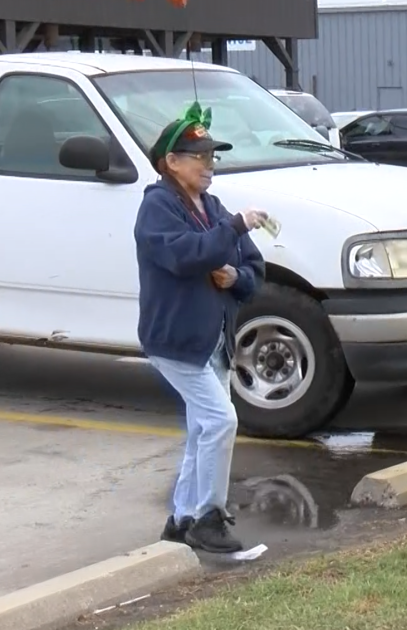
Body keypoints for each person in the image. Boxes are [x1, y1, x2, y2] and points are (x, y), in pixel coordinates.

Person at [134, 102, 269, 554]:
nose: (210, 167)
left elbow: (253, 267)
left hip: (216, 342)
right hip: (175, 342)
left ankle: (182, 520)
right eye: (200, 157)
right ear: (171, 162)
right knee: (219, 420)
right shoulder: (157, 208)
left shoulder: (211, 206)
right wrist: (233, 227)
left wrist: (236, 278)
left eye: (213, 158)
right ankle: (210, 518)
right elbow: (185, 254)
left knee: (201, 429)